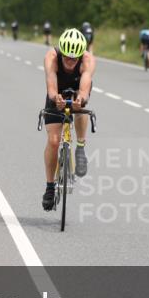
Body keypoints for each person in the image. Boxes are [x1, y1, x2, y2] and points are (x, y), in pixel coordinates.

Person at [41, 29, 95, 210]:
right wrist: (55, 97)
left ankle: (80, 147)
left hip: (78, 86)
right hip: (57, 88)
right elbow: (50, 84)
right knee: (54, 141)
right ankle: (49, 187)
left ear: (80, 55)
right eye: (67, 58)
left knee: (80, 109)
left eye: (74, 59)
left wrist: (82, 99)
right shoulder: (51, 56)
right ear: (62, 52)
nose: (70, 62)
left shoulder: (87, 59)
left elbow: (85, 85)